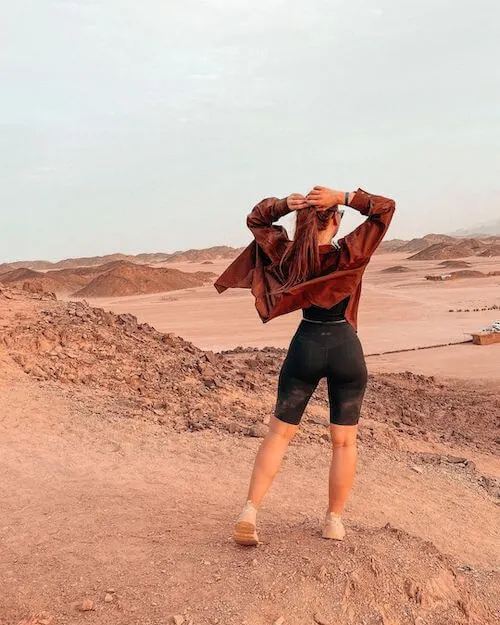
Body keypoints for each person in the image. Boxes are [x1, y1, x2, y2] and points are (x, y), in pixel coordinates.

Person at [214, 185, 396, 546]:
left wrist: (282, 205)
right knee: (344, 443)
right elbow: (385, 209)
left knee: (278, 434)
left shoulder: (289, 256)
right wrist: (343, 197)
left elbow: (256, 219)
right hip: (345, 347)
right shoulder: (351, 253)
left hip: (306, 346)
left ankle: (250, 511)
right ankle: (334, 521)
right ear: (334, 222)